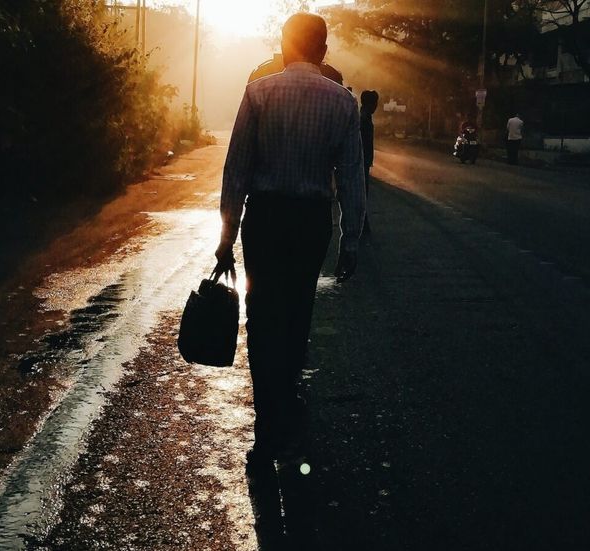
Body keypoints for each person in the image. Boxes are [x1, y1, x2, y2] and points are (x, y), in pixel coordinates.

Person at [213, 11, 365, 546]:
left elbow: (236, 169)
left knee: (262, 321)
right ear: (324, 49)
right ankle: (287, 430)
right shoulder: (342, 102)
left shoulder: (259, 93)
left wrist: (226, 238)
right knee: (297, 319)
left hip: (267, 219)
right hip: (309, 224)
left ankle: (265, 434)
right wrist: (352, 240)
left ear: (284, 45)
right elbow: (350, 176)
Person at [359, 90, 379, 234]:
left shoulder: (366, 117)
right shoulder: (363, 119)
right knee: (361, 194)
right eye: (375, 103)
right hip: (361, 162)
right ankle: (361, 225)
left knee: (363, 194)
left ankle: (363, 223)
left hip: (364, 162)